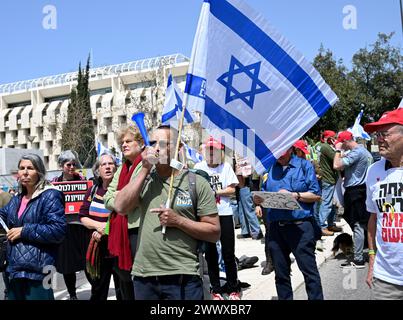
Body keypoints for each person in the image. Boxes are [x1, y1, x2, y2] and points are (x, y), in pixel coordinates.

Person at [113, 125, 220, 300]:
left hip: (183, 276)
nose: (156, 148)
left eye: (162, 143)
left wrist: (178, 221)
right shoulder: (144, 178)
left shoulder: (196, 182)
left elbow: (214, 233)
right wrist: (145, 170)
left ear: (178, 148)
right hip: (144, 277)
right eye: (153, 142)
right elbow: (121, 207)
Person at [253, 147, 323, 300]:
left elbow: (316, 195)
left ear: (290, 148)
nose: (279, 156)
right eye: (276, 153)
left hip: (300, 227)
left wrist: (295, 196)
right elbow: (264, 191)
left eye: (282, 152)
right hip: (276, 228)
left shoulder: (305, 166)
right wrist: (258, 201)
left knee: (309, 272)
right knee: (281, 274)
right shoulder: (269, 168)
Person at [0, 154, 66, 300]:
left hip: (41, 271)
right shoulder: (17, 198)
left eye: (30, 168)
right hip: (15, 270)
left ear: (39, 172)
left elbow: (58, 230)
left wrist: (24, 231)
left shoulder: (50, 195)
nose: (24, 172)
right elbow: (3, 217)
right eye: (21, 168)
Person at [363, 108, 403, 300]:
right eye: (377, 134)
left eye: (385, 134)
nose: (379, 139)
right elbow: (373, 217)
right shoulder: (373, 171)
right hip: (385, 280)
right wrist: (372, 258)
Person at [195, 137, 241, 300]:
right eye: (209, 150)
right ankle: (215, 289)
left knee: (228, 253)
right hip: (206, 216)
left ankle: (233, 288)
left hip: (224, 213)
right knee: (211, 254)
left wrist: (215, 193)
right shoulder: (198, 167)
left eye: (214, 150)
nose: (211, 153)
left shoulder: (226, 167)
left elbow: (232, 190)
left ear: (220, 153)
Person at [104, 125, 144, 300]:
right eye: (122, 143)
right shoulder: (122, 168)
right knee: (124, 279)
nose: (124, 145)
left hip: (138, 228)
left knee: (139, 280)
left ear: (140, 143)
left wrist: (121, 197)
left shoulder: (145, 165)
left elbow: (134, 200)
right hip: (120, 231)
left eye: (129, 141)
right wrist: (121, 198)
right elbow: (107, 197)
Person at [79, 152, 121, 300]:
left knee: (122, 290)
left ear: (116, 168)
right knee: (98, 291)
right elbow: (82, 216)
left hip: (118, 249)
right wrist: (98, 227)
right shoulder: (93, 190)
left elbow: (124, 216)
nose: (108, 167)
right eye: (104, 164)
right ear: (98, 170)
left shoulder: (122, 190)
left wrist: (106, 230)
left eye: (111, 164)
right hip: (98, 249)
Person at [52, 150, 90, 300]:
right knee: (68, 265)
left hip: (81, 227)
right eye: (69, 164)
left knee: (87, 262)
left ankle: (95, 289)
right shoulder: (54, 183)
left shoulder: (83, 180)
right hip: (65, 228)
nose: (72, 167)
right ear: (62, 166)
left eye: (74, 164)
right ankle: (72, 294)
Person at [333, 131, 373, 269]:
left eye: (341, 142)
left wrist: (338, 150)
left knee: (357, 225)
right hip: (363, 190)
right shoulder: (364, 152)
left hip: (355, 191)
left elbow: (336, 165)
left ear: (345, 141)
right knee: (365, 222)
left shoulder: (356, 152)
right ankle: (371, 250)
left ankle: (358, 258)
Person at [318, 130, 342, 236]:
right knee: (326, 204)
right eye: (334, 137)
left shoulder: (325, 147)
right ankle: (321, 226)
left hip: (331, 179)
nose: (335, 139)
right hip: (328, 180)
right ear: (329, 138)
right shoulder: (325, 147)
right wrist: (338, 148)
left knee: (332, 205)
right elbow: (337, 159)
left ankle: (330, 224)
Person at [233, 154, 263, 240]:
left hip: (247, 182)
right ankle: (245, 230)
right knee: (242, 205)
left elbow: (254, 177)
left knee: (248, 206)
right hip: (242, 181)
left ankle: (256, 230)